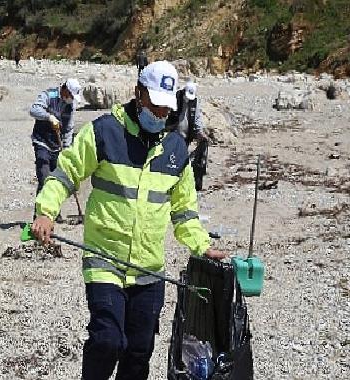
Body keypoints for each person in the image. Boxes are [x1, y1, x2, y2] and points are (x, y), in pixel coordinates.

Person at [31, 61, 227, 380]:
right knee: (108, 341)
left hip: (149, 268)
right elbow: (65, 173)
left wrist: (202, 247)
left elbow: (184, 211)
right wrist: (46, 211)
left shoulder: (176, 148)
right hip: (104, 261)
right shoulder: (104, 131)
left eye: (166, 109)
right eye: (155, 106)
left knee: (139, 352)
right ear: (138, 94)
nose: (160, 115)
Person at [29, 78, 82, 222]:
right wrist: (48, 116)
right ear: (65, 90)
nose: (71, 99)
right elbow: (34, 110)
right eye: (70, 95)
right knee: (44, 177)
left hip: (56, 146)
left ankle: (54, 212)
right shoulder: (49, 95)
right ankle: (39, 216)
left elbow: (69, 128)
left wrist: (66, 149)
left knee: (56, 179)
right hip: (42, 142)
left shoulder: (70, 106)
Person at [166, 81, 209, 190]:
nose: (188, 99)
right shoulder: (175, 98)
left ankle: (179, 182)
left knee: (181, 160)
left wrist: (200, 132)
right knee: (171, 159)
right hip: (173, 135)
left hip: (186, 137)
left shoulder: (194, 102)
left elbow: (197, 118)